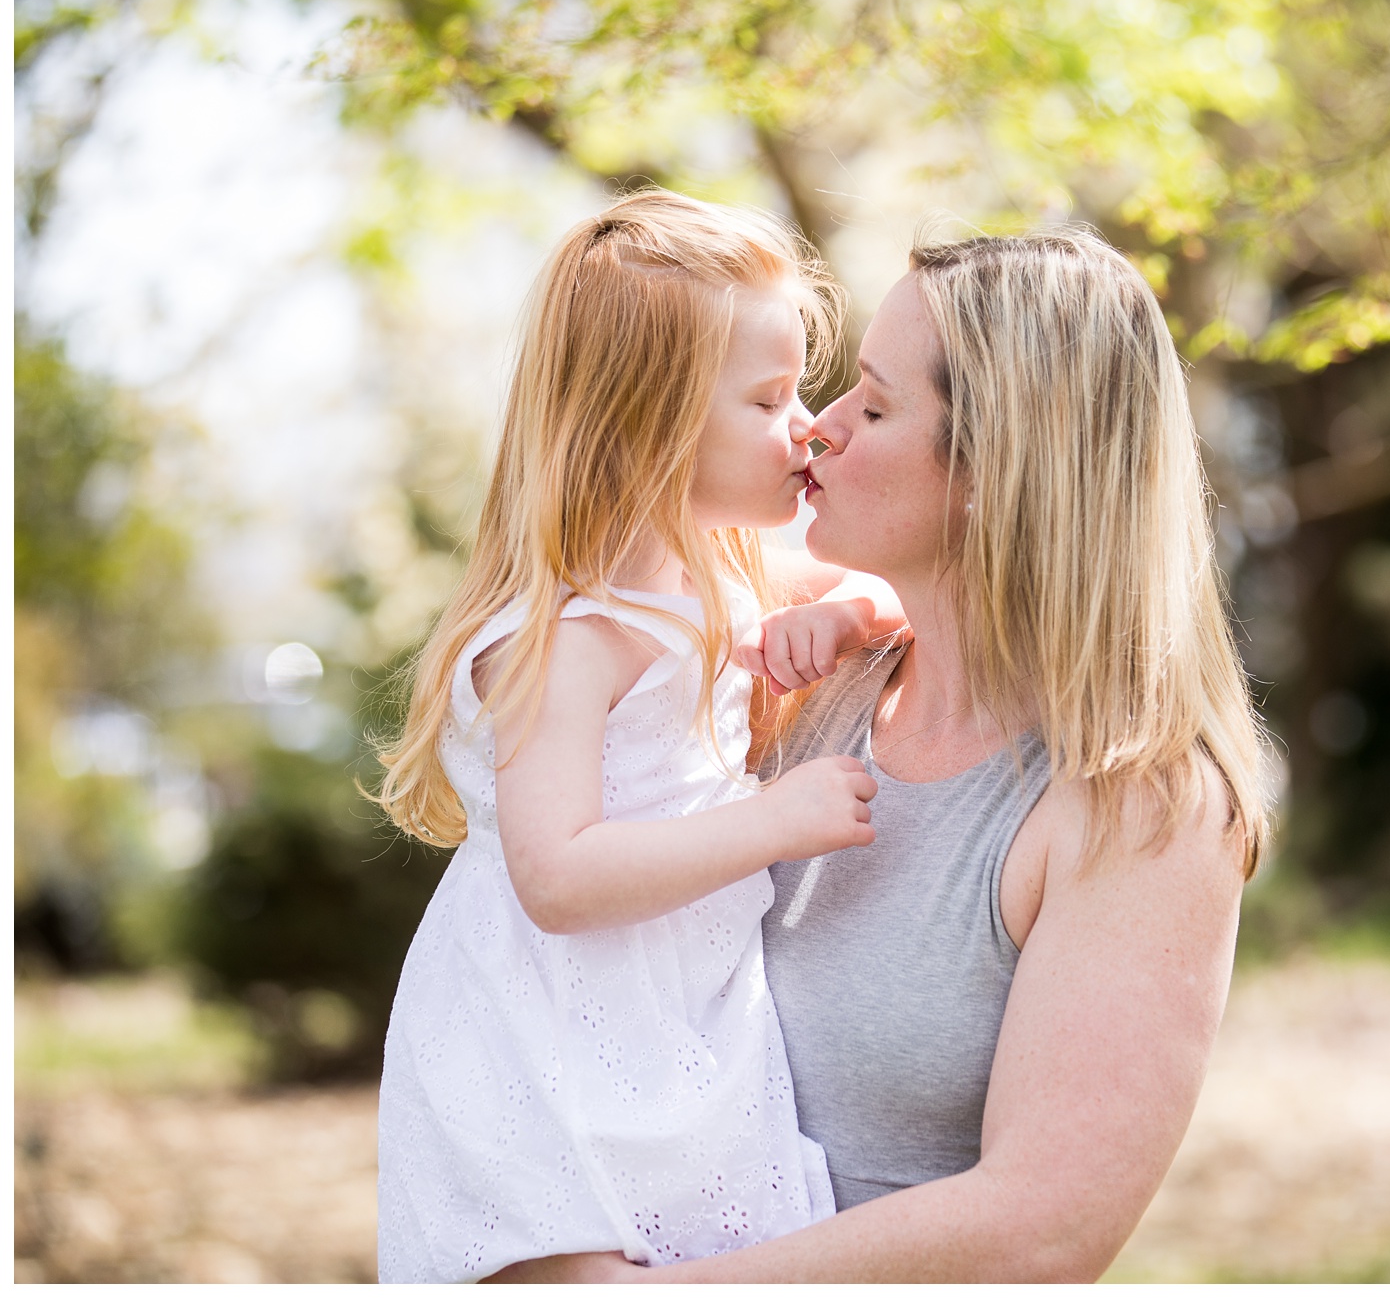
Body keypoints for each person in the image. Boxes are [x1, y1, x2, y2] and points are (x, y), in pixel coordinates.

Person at [493, 225, 1269, 1282]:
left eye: (874, 401)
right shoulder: (796, 689)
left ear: (998, 468)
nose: (820, 430)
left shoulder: (1143, 805)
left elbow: (1040, 1226)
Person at [369, 189, 906, 1283]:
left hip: (671, 1011)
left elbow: (901, 597)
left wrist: (839, 615)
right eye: (765, 397)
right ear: (644, 425)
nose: (804, 422)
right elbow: (557, 874)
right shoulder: (569, 637)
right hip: (544, 1037)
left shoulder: (716, 570)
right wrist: (768, 821)